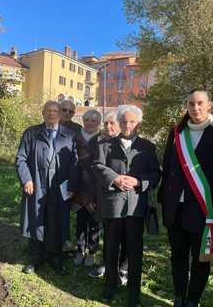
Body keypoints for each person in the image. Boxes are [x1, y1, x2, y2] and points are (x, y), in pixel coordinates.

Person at [157, 88, 213, 307]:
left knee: (200, 259)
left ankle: (193, 301)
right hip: (176, 206)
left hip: (203, 208)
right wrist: (163, 197)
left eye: (200, 103)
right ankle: (180, 297)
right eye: (191, 104)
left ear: (210, 105)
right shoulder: (176, 132)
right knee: (178, 256)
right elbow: (168, 165)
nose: (195, 108)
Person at [92, 105, 161, 307]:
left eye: (131, 121)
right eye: (123, 121)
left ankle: (134, 291)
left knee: (134, 249)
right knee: (111, 247)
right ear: (119, 122)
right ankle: (110, 284)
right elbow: (96, 166)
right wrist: (114, 179)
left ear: (138, 123)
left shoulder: (148, 147)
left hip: (136, 207)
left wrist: (138, 181)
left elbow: (156, 174)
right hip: (112, 205)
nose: (127, 125)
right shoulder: (105, 144)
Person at [16, 100, 78, 276]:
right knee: (36, 219)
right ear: (42, 113)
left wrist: (72, 186)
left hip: (59, 187)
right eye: (48, 111)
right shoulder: (31, 133)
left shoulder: (70, 135)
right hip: (36, 185)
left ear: (60, 115)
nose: (52, 114)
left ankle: (55, 257)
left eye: (55, 111)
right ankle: (36, 257)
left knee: (56, 220)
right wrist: (26, 179)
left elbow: (75, 163)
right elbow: (20, 158)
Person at [88, 110, 128, 286]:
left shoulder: (127, 144)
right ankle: (107, 264)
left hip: (125, 199)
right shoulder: (101, 143)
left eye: (112, 123)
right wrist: (91, 197)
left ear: (120, 124)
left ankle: (124, 268)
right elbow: (93, 173)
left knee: (126, 235)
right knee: (109, 233)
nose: (108, 126)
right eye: (105, 123)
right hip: (104, 196)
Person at [72, 110, 102, 267]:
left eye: (93, 120)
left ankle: (92, 252)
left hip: (96, 186)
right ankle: (80, 250)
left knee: (94, 222)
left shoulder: (103, 139)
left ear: (98, 123)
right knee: (80, 221)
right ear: (83, 121)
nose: (89, 123)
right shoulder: (75, 138)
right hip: (79, 184)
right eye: (87, 120)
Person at [59, 99, 82, 253]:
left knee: (64, 210)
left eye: (71, 111)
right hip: (49, 174)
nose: (67, 113)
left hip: (69, 174)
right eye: (64, 109)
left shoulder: (78, 129)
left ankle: (63, 240)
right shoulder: (50, 123)